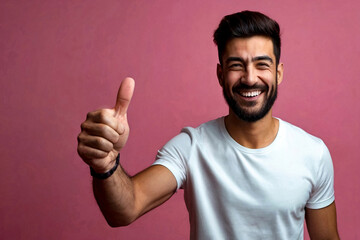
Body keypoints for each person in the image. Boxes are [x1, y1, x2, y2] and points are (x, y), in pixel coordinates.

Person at [77, 10, 339, 239]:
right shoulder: (192, 147)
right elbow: (126, 208)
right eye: (236, 65)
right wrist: (106, 165)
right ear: (220, 74)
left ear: (278, 73)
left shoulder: (312, 153)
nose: (250, 78)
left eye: (262, 65)